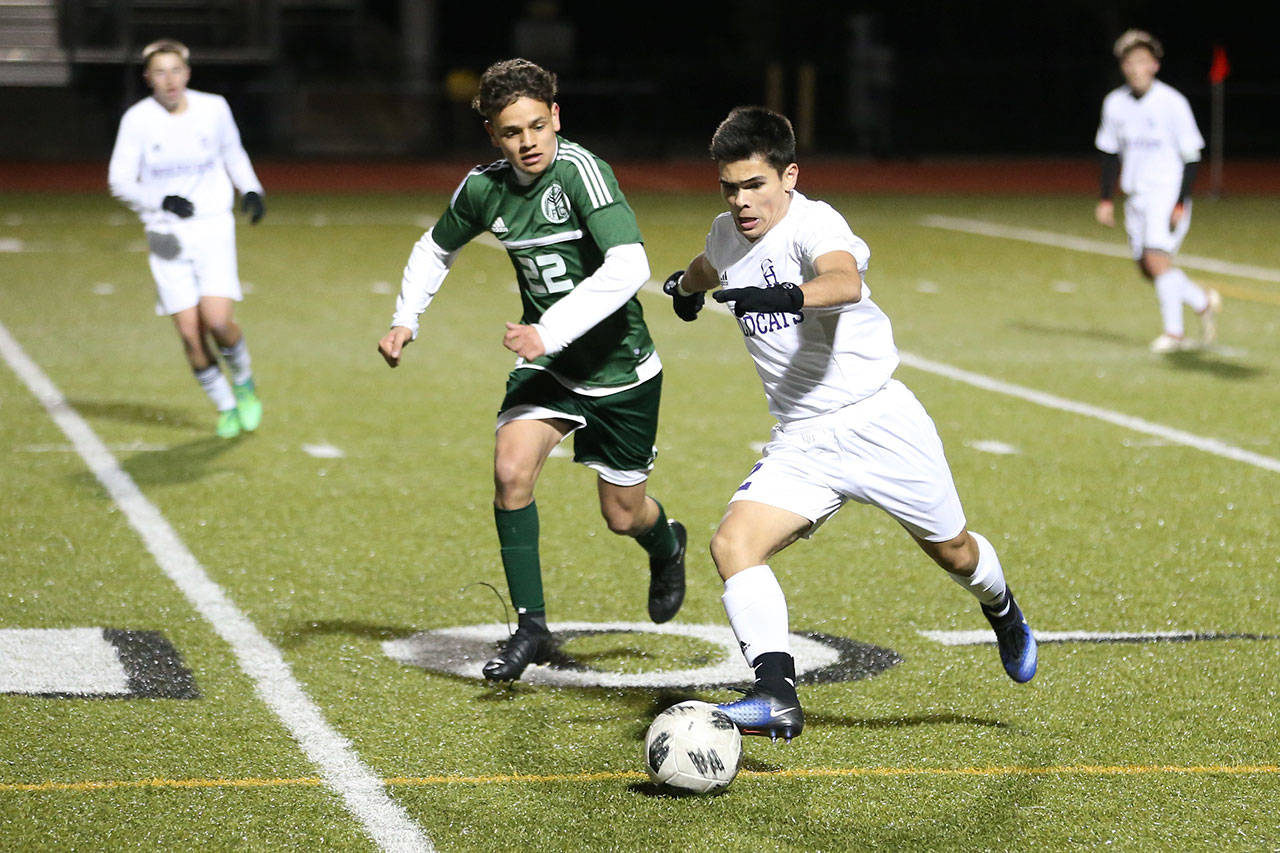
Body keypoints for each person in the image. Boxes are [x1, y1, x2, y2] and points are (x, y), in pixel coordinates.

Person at [662, 106, 1036, 741]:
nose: (742, 200)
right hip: (801, 440)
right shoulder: (727, 232)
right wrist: (683, 287)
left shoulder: (816, 223)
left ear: (789, 176)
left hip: (877, 422)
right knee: (732, 545)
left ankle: (1001, 608)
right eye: (729, 187)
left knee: (955, 552)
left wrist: (787, 295)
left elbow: (845, 280)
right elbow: (709, 262)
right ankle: (776, 694)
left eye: (754, 185)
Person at [378, 58, 686, 682]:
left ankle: (668, 542)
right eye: (512, 131)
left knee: (622, 515)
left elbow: (629, 265)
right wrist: (406, 317)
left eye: (538, 126)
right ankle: (531, 627)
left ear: (556, 118)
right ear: (493, 135)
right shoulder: (483, 187)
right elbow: (435, 247)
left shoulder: (581, 173)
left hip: (619, 370)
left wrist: (549, 330)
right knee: (510, 472)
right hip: (549, 368)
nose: (528, 142)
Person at [108, 38, 265, 438]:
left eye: (176, 70)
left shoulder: (214, 108)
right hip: (165, 235)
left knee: (218, 321)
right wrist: (160, 200)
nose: (170, 79)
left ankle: (244, 383)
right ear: (148, 78)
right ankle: (226, 406)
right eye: (160, 72)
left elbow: (233, 153)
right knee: (190, 334)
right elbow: (119, 180)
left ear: (188, 73)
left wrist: (251, 189)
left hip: (212, 227)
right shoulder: (137, 120)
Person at [1095, 29, 1221, 354]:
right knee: (1147, 268)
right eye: (1129, 62)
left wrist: (1180, 202)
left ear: (1154, 65)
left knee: (1156, 260)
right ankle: (1201, 300)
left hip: (1165, 192)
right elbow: (1109, 152)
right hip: (1135, 195)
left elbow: (1191, 156)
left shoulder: (1172, 103)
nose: (1136, 68)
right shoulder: (1115, 103)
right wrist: (1106, 198)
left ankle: (1174, 334)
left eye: (1142, 61)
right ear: (1123, 67)